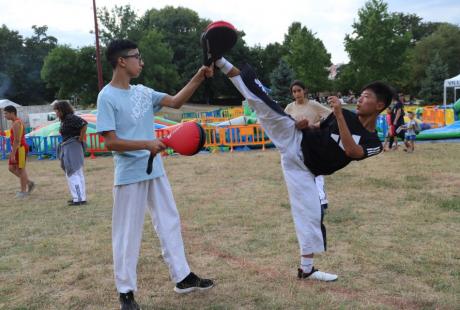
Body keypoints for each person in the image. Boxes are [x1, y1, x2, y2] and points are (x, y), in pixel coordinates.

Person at [215, 57, 393, 282]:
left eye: (366, 97)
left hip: (305, 171)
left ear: (379, 105)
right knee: (262, 102)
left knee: (310, 216)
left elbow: (352, 151)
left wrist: (338, 114)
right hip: (295, 140)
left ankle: (306, 269)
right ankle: (220, 59)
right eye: (360, 95)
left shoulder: (373, 142)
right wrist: (304, 124)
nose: (359, 100)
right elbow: (318, 126)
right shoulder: (344, 115)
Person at [96, 39, 214, 309]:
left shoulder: (142, 91)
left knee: (169, 222)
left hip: (155, 170)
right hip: (129, 175)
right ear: (122, 61)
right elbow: (110, 142)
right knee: (127, 234)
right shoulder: (107, 97)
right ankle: (126, 292)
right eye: (137, 56)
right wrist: (146, 144)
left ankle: (183, 277)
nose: (142, 61)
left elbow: (175, 101)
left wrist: (198, 76)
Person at [285, 81, 332, 210]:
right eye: (294, 91)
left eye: (299, 90)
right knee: (300, 171)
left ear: (304, 91)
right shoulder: (290, 107)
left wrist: (316, 125)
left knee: (316, 169)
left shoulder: (313, 104)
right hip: (296, 143)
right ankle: (306, 199)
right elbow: (285, 123)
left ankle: (322, 199)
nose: (297, 93)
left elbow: (330, 116)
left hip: (313, 140)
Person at [54, 101, 88, 206]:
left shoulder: (70, 117)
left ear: (62, 110)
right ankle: (81, 197)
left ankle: (78, 198)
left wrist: (81, 138)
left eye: (57, 110)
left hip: (72, 146)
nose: (56, 113)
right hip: (72, 147)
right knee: (77, 172)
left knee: (72, 172)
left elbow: (84, 124)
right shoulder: (65, 119)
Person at [3, 105, 35, 198]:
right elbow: (12, 137)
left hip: (20, 148)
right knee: (11, 168)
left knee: (21, 169)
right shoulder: (14, 122)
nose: (5, 116)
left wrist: (12, 154)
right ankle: (29, 183)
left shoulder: (17, 123)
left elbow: (17, 140)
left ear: (12, 113)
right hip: (17, 148)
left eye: (6, 113)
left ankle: (23, 192)